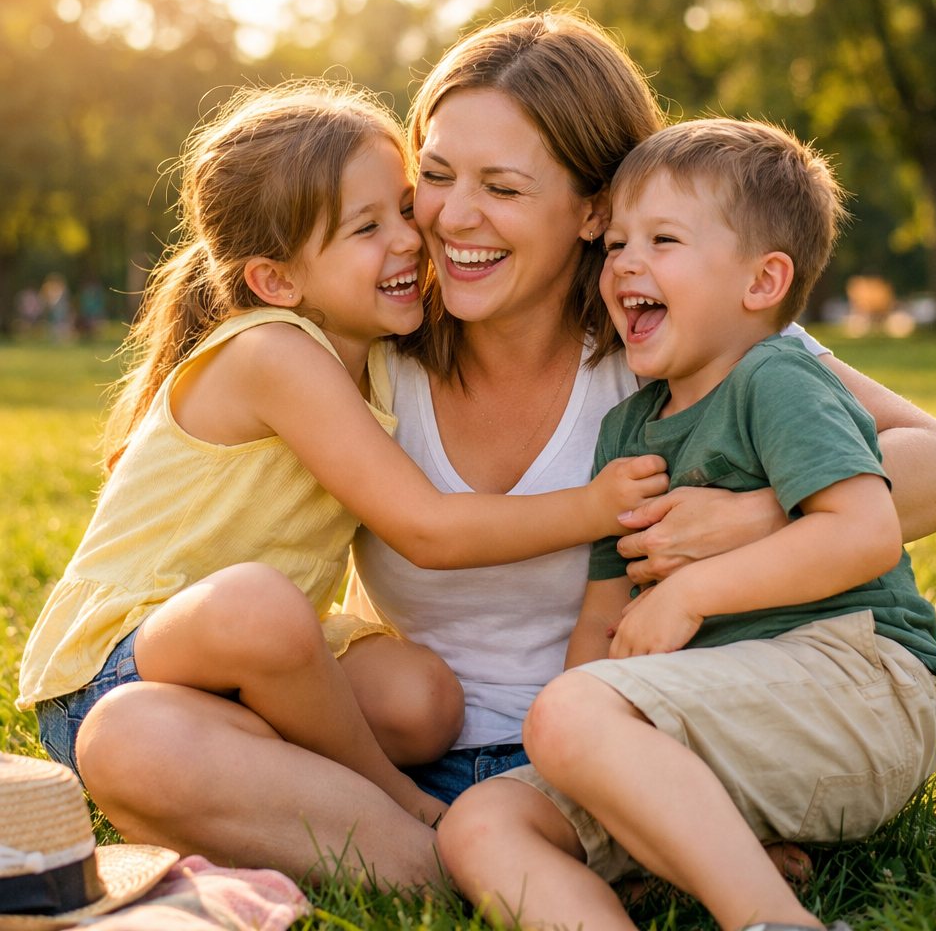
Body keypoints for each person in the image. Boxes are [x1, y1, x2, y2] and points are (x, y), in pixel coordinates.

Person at [342, 10, 936, 822]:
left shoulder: (678, 328)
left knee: (506, 821)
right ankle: (490, 845)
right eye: (434, 176)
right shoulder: (371, 339)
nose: (452, 217)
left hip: (631, 736)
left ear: (593, 210)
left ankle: (499, 848)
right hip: (412, 742)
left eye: (501, 187)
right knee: (149, 736)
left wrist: (756, 519)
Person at [16, 80, 669, 883]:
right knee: (255, 606)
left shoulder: (370, 348)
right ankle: (420, 826)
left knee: (423, 698)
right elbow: (427, 529)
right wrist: (595, 506)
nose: (410, 238)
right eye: (368, 227)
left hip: (253, 659)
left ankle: (372, 819)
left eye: (402, 206)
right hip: (127, 662)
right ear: (277, 282)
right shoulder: (275, 354)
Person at [438, 119, 936, 931]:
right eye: (617, 244)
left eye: (664, 240)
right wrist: (573, 746)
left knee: (571, 715)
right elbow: (602, 619)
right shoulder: (629, 431)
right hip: (713, 721)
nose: (626, 263)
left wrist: (695, 592)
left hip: (856, 682)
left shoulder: (776, 378)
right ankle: (694, 861)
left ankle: (777, 922)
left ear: (762, 282)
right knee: (481, 823)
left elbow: (865, 532)